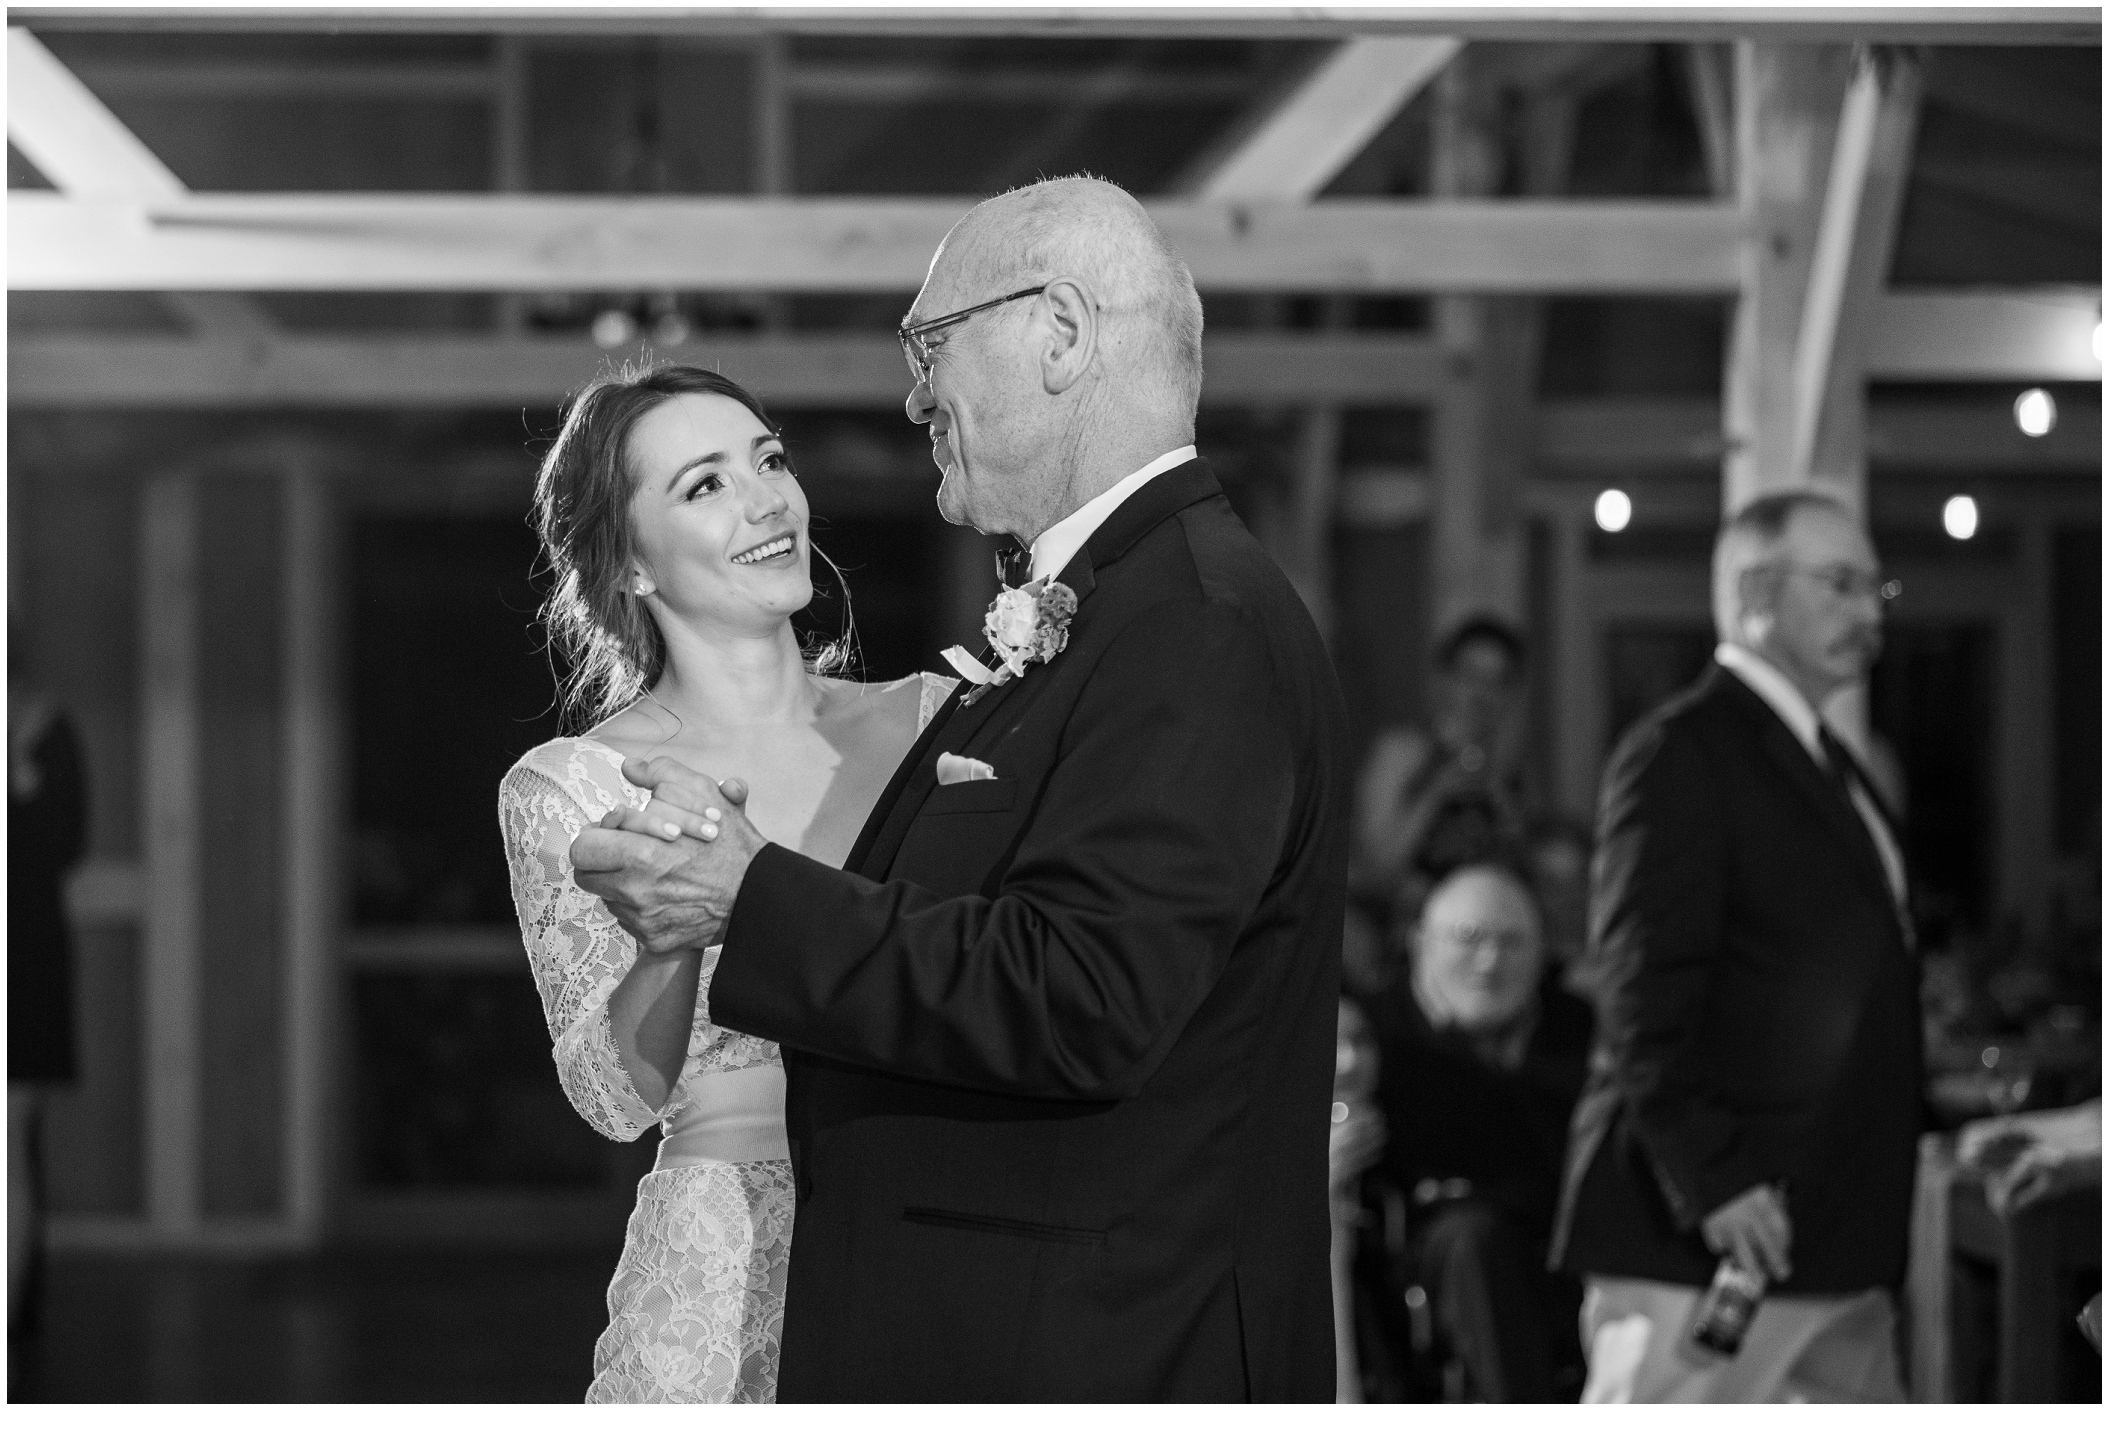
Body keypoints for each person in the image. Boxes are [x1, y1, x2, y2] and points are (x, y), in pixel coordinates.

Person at [568, 175, 1349, 1402]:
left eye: (932, 343)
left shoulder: (1195, 623)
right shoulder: (1112, 612)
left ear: (1063, 334)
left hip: (1099, 1355)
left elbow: (1085, 990)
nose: (916, 393)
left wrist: (750, 895)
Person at [497, 364, 955, 1402]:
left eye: (770, 461)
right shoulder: (575, 785)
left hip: (922, 1226)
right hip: (720, 1269)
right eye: (704, 484)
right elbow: (613, 1099)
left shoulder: (934, 720)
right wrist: (673, 926)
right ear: (633, 565)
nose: (765, 500)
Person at [1552, 491, 1921, 1403]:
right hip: (1712, 1234)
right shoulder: (1681, 752)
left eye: (1875, 588)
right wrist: (1713, 1181)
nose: (1867, 612)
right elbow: (1639, 998)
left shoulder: (1835, 766)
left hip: (1837, 1237)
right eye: (1839, 584)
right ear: (1754, 590)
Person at [1364, 864, 1593, 1401]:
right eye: (1468, 940)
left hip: (1562, 1244)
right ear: (1420, 943)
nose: (1489, 962)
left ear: (1543, 952)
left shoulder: (1577, 1029)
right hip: (1428, 1256)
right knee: (1477, 1244)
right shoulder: (1376, 1035)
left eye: (1511, 943)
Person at [1350, 616, 1531, 952]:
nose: (1482, 694)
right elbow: (1374, 871)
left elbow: (1515, 877)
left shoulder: (1505, 772)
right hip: (1403, 945)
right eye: (1471, 676)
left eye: (1498, 681)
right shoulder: (1401, 753)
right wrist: (1436, 789)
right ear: (1443, 679)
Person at [8, 637, 88, 1382]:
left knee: (12, 1141)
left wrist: (21, 767)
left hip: (25, 954)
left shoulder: (49, 730)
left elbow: (66, 844)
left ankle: (15, 1309)